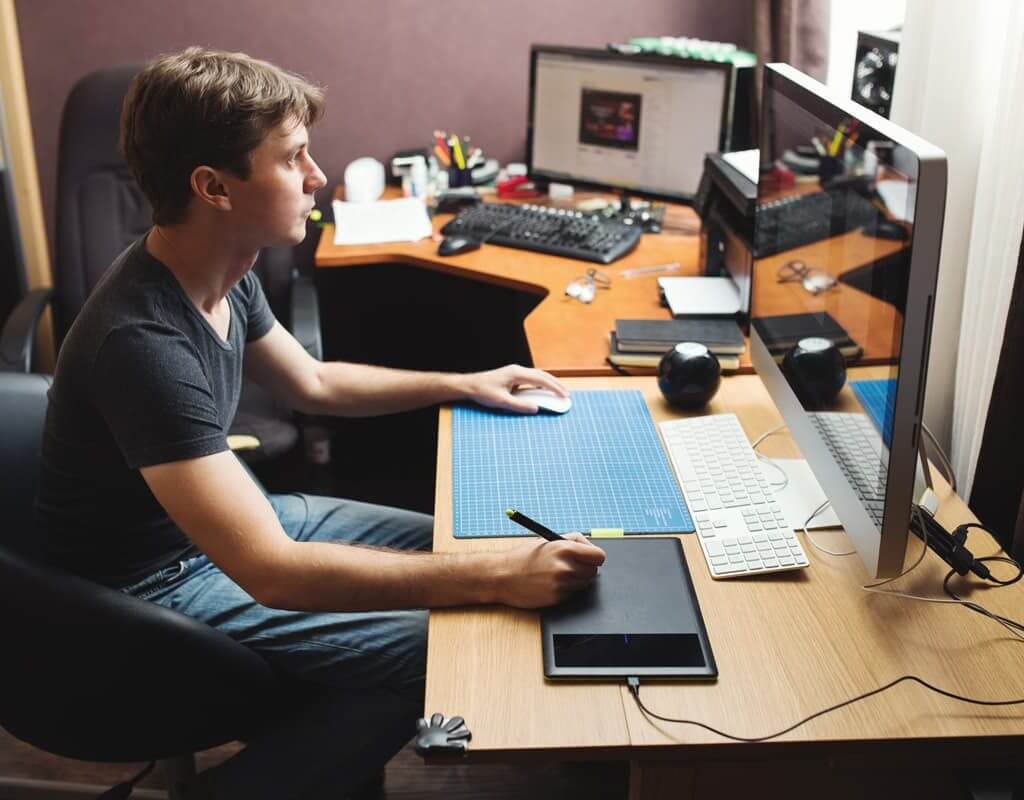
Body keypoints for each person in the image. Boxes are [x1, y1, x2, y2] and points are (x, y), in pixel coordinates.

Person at [34, 47, 606, 800]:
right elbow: (270, 571)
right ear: (213, 187)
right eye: (294, 158)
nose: (317, 177)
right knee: (435, 644)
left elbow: (313, 381)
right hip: (153, 586)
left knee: (461, 544)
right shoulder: (141, 341)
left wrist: (465, 383)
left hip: (228, 532)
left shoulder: (219, 270)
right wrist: (497, 579)